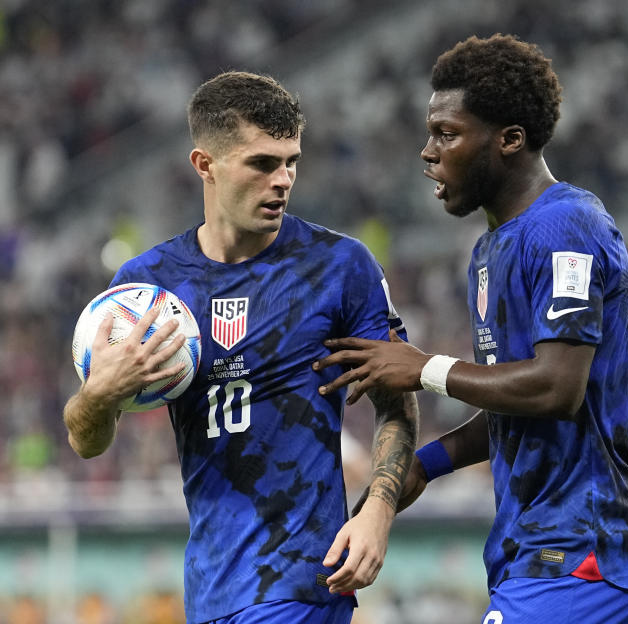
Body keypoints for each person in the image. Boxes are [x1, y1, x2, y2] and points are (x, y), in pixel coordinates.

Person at [313, 34, 628, 624]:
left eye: (447, 134)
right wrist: (425, 463)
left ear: (510, 140)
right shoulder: (489, 251)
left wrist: (425, 369)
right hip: (535, 548)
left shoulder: (565, 227)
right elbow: (516, 402)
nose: (428, 152)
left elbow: (556, 387)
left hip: (584, 547)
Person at [63, 71, 418, 624]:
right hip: (211, 588)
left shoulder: (340, 267)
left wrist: (378, 508)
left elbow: (399, 399)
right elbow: (85, 440)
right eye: (262, 164)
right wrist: (100, 395)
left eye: (291, 162)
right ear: (205, 165)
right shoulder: (147, 288)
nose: (283, 180)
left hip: (302, 581)